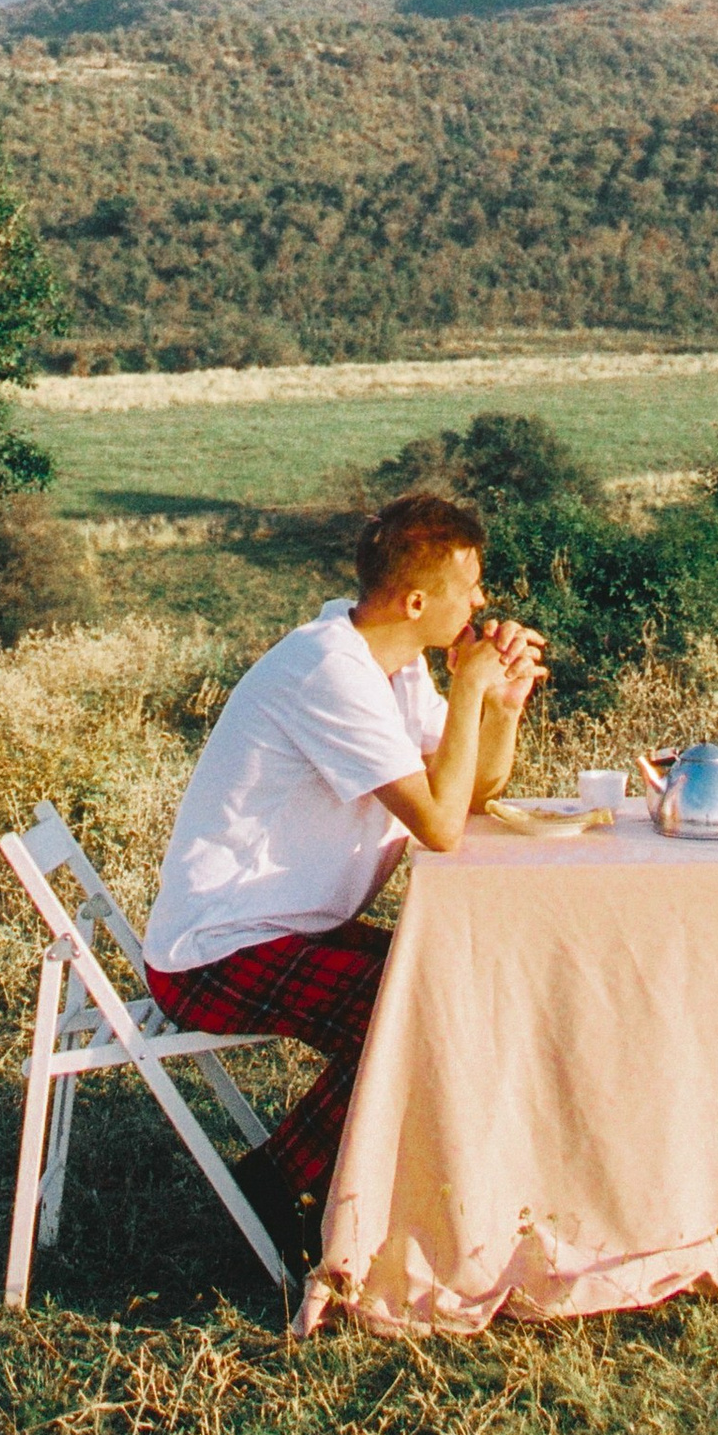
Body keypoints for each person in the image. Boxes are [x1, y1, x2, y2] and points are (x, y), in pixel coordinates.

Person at [140, 486, 544, 1258]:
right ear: (416, 601)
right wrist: (468, 688)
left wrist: (501, 707)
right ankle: (276, 1192)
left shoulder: (391, 666)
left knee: (453, 983)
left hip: (285, 929)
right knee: (414, 1006)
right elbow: (441, 827)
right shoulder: (330, 673)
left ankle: (355, 1190)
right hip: (214, 952)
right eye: (470, 587)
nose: (481, 602)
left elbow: (471, 791)